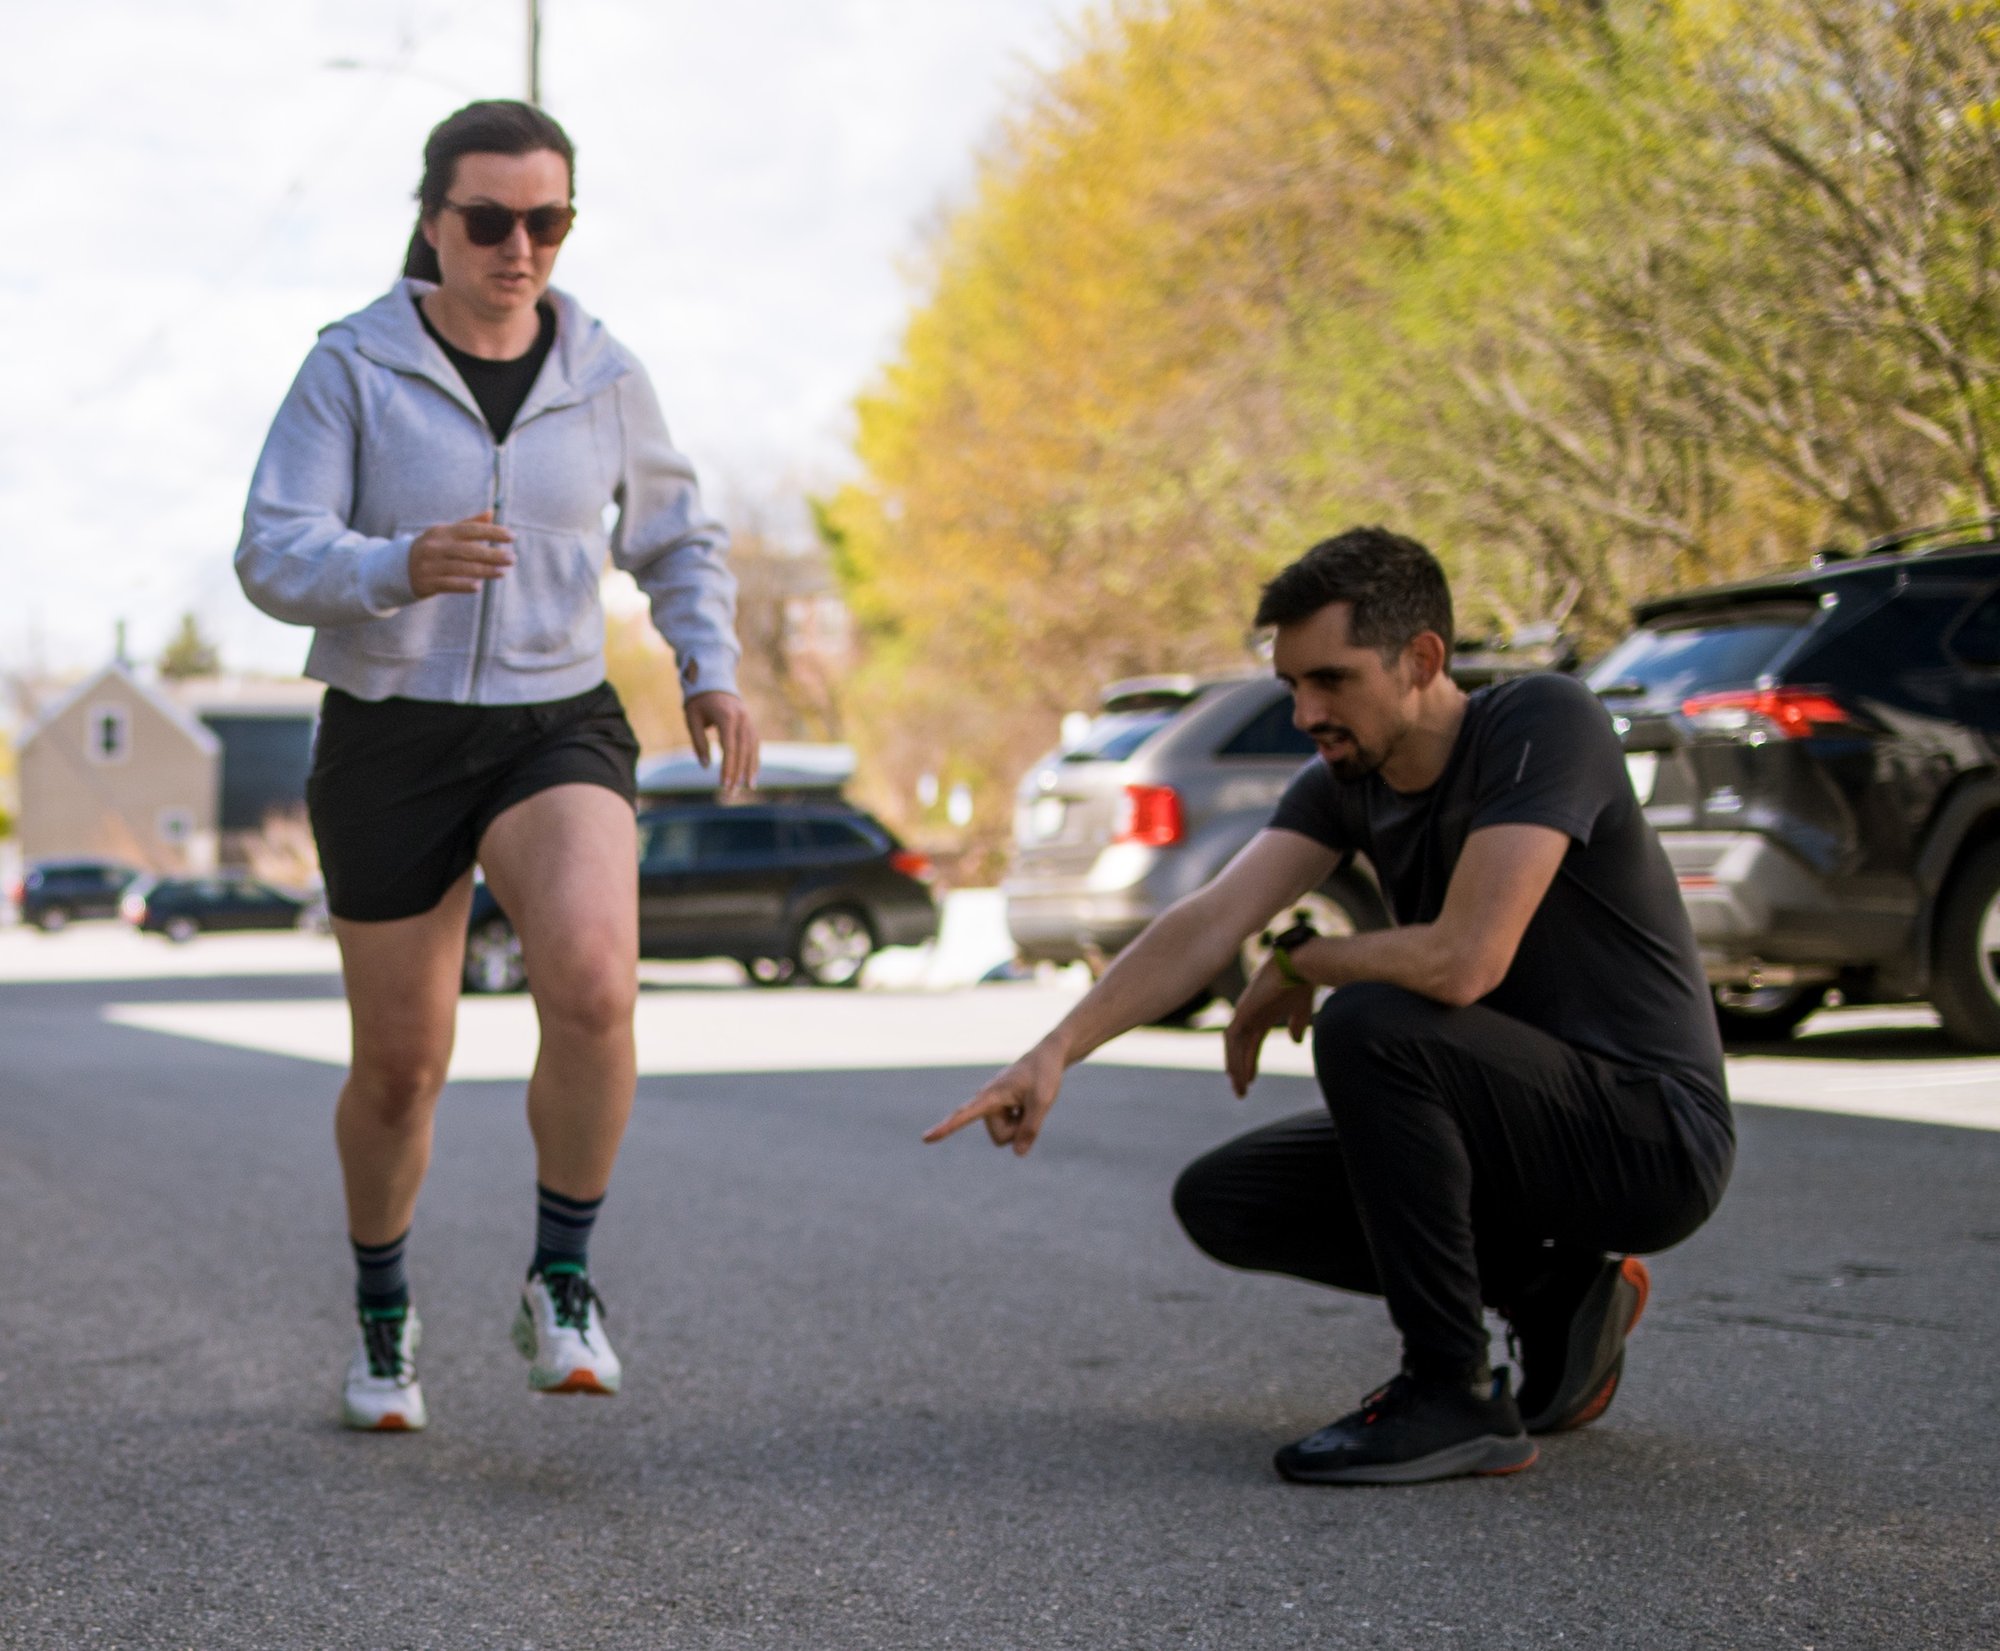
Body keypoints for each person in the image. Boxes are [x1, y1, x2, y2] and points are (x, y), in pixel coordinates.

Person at [927, 527, 1732, 1484]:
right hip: (1517, 1121)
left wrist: (1311, 963)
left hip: (1650, 1135)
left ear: (1422, 658)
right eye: (1292, 686)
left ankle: (1453, 1393)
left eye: (1332, 679)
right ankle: (1551, 1286)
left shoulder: (1541, 724)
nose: (1307, 711)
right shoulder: (1346, 782)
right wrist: (1055, 1049)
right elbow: (1209, 918)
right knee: (1228, 1200)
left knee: (1372, 1025)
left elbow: (1466, 959)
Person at [238, 101, 757, 1431]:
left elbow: (679, 539)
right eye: (490, 220)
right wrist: (390, 565)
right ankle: (382, 1305)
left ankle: (563, 1274)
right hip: (390, 729)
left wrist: (707, 664)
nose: (520, 246)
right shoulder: (350, 366)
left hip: (552, 716)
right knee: (403, 1065)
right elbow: (271, 549)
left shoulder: (605, 370)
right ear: (435, 222)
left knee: (592, 980)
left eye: (549, 220)